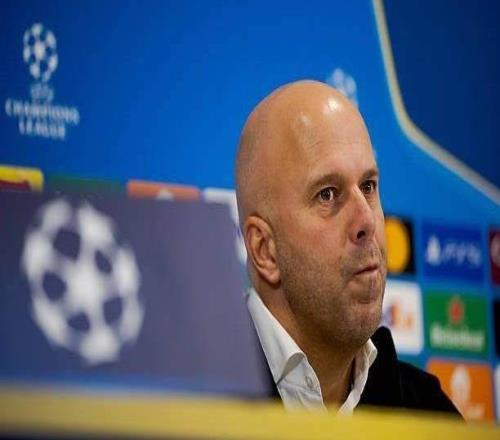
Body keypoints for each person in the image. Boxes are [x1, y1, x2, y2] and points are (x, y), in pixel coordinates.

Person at [235, 80, 461, 416]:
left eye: (368, 186)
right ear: (265, 249)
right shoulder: (181, 404)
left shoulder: (430, 415)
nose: (367, 220)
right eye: (327, 194)